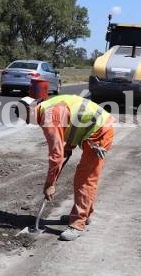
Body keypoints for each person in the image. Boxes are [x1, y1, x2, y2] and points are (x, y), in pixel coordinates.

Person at [16, 95, 114, 241]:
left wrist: (49, 184)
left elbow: (55, 154)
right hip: (95, 128)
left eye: (25, 118)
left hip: (99, 133)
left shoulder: (48, 117)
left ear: (30, 111)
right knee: (82, 179)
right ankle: (84, 214)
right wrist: (69, 146)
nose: (27, 122)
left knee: (84, 180)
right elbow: (73, 120)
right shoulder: (48, 107)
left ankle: (77, 224)